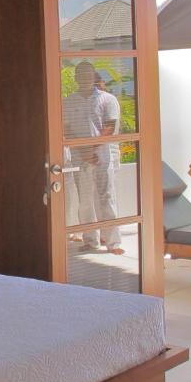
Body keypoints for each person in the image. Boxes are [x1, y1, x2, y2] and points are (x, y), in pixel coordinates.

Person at [62, 61, 123, 254]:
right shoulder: (68, 101)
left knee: (106, 197)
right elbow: (66, 129)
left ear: (94, 76)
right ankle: (90, 240)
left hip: (102, 155)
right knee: (85, 199)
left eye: (88, 74)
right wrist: (84, 151)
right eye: (81, 74)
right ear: (76, 77)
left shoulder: (107, 99)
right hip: (80, 157)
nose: (85, 77)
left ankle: (113, 242)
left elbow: (109, 127)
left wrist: (92, 148)